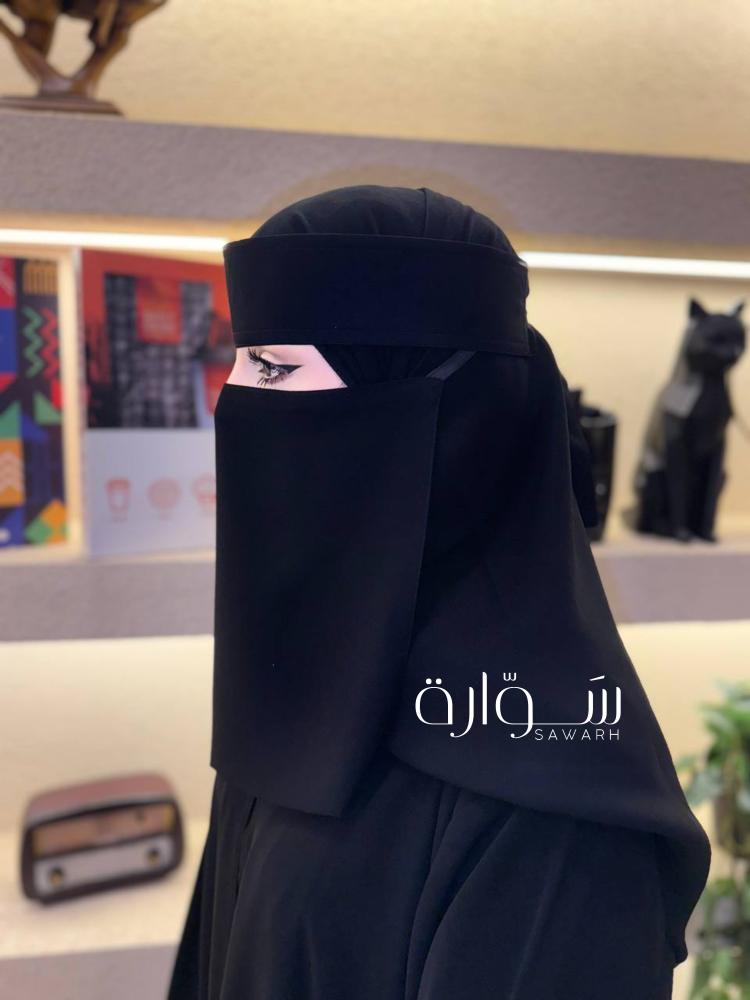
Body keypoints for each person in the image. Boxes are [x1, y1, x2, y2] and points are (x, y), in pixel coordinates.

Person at [166, 184, 711, 1000]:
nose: (233, 402)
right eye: (242, 362)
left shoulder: (554, 833)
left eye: (274, 367)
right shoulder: (300, 690)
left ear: (442, 413)